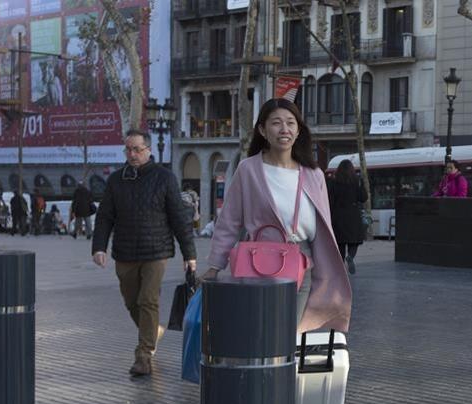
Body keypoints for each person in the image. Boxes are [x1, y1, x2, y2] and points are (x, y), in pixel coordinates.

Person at [202, 98, 351, 333]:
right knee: (258, 334)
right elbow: (229, 222)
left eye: (291, 123)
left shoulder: (314, 174)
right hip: (257, 264)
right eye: (276, 123)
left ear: (298, 130)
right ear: (262, 130)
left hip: (303, 264)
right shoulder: (248, 170)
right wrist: (214, 265)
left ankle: (284, 371)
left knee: (287, 336)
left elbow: (323, 227)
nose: (285, 129)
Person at [93, 130, 198, 376]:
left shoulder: (164, 178)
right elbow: (105, 216)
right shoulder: (116, 180)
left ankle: (144, 355)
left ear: (148, 150)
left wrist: (189, 254)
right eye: (128, 149)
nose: (132, 154)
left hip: (156, 250)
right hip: (125, 251)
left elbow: (179, 219)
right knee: (132, 302)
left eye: (137, 149)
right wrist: (99, 247)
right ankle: (153, 332)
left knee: (148, 300)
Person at [327, 159, 367, 274]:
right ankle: (350, 257)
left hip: (338, 217)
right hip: (353, 216)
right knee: (354, 241)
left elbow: (330, 201)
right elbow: (363, 198)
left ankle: (340, 266)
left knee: (340, 243)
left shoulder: (333, 183)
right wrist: (363, 184)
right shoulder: (356, 182)